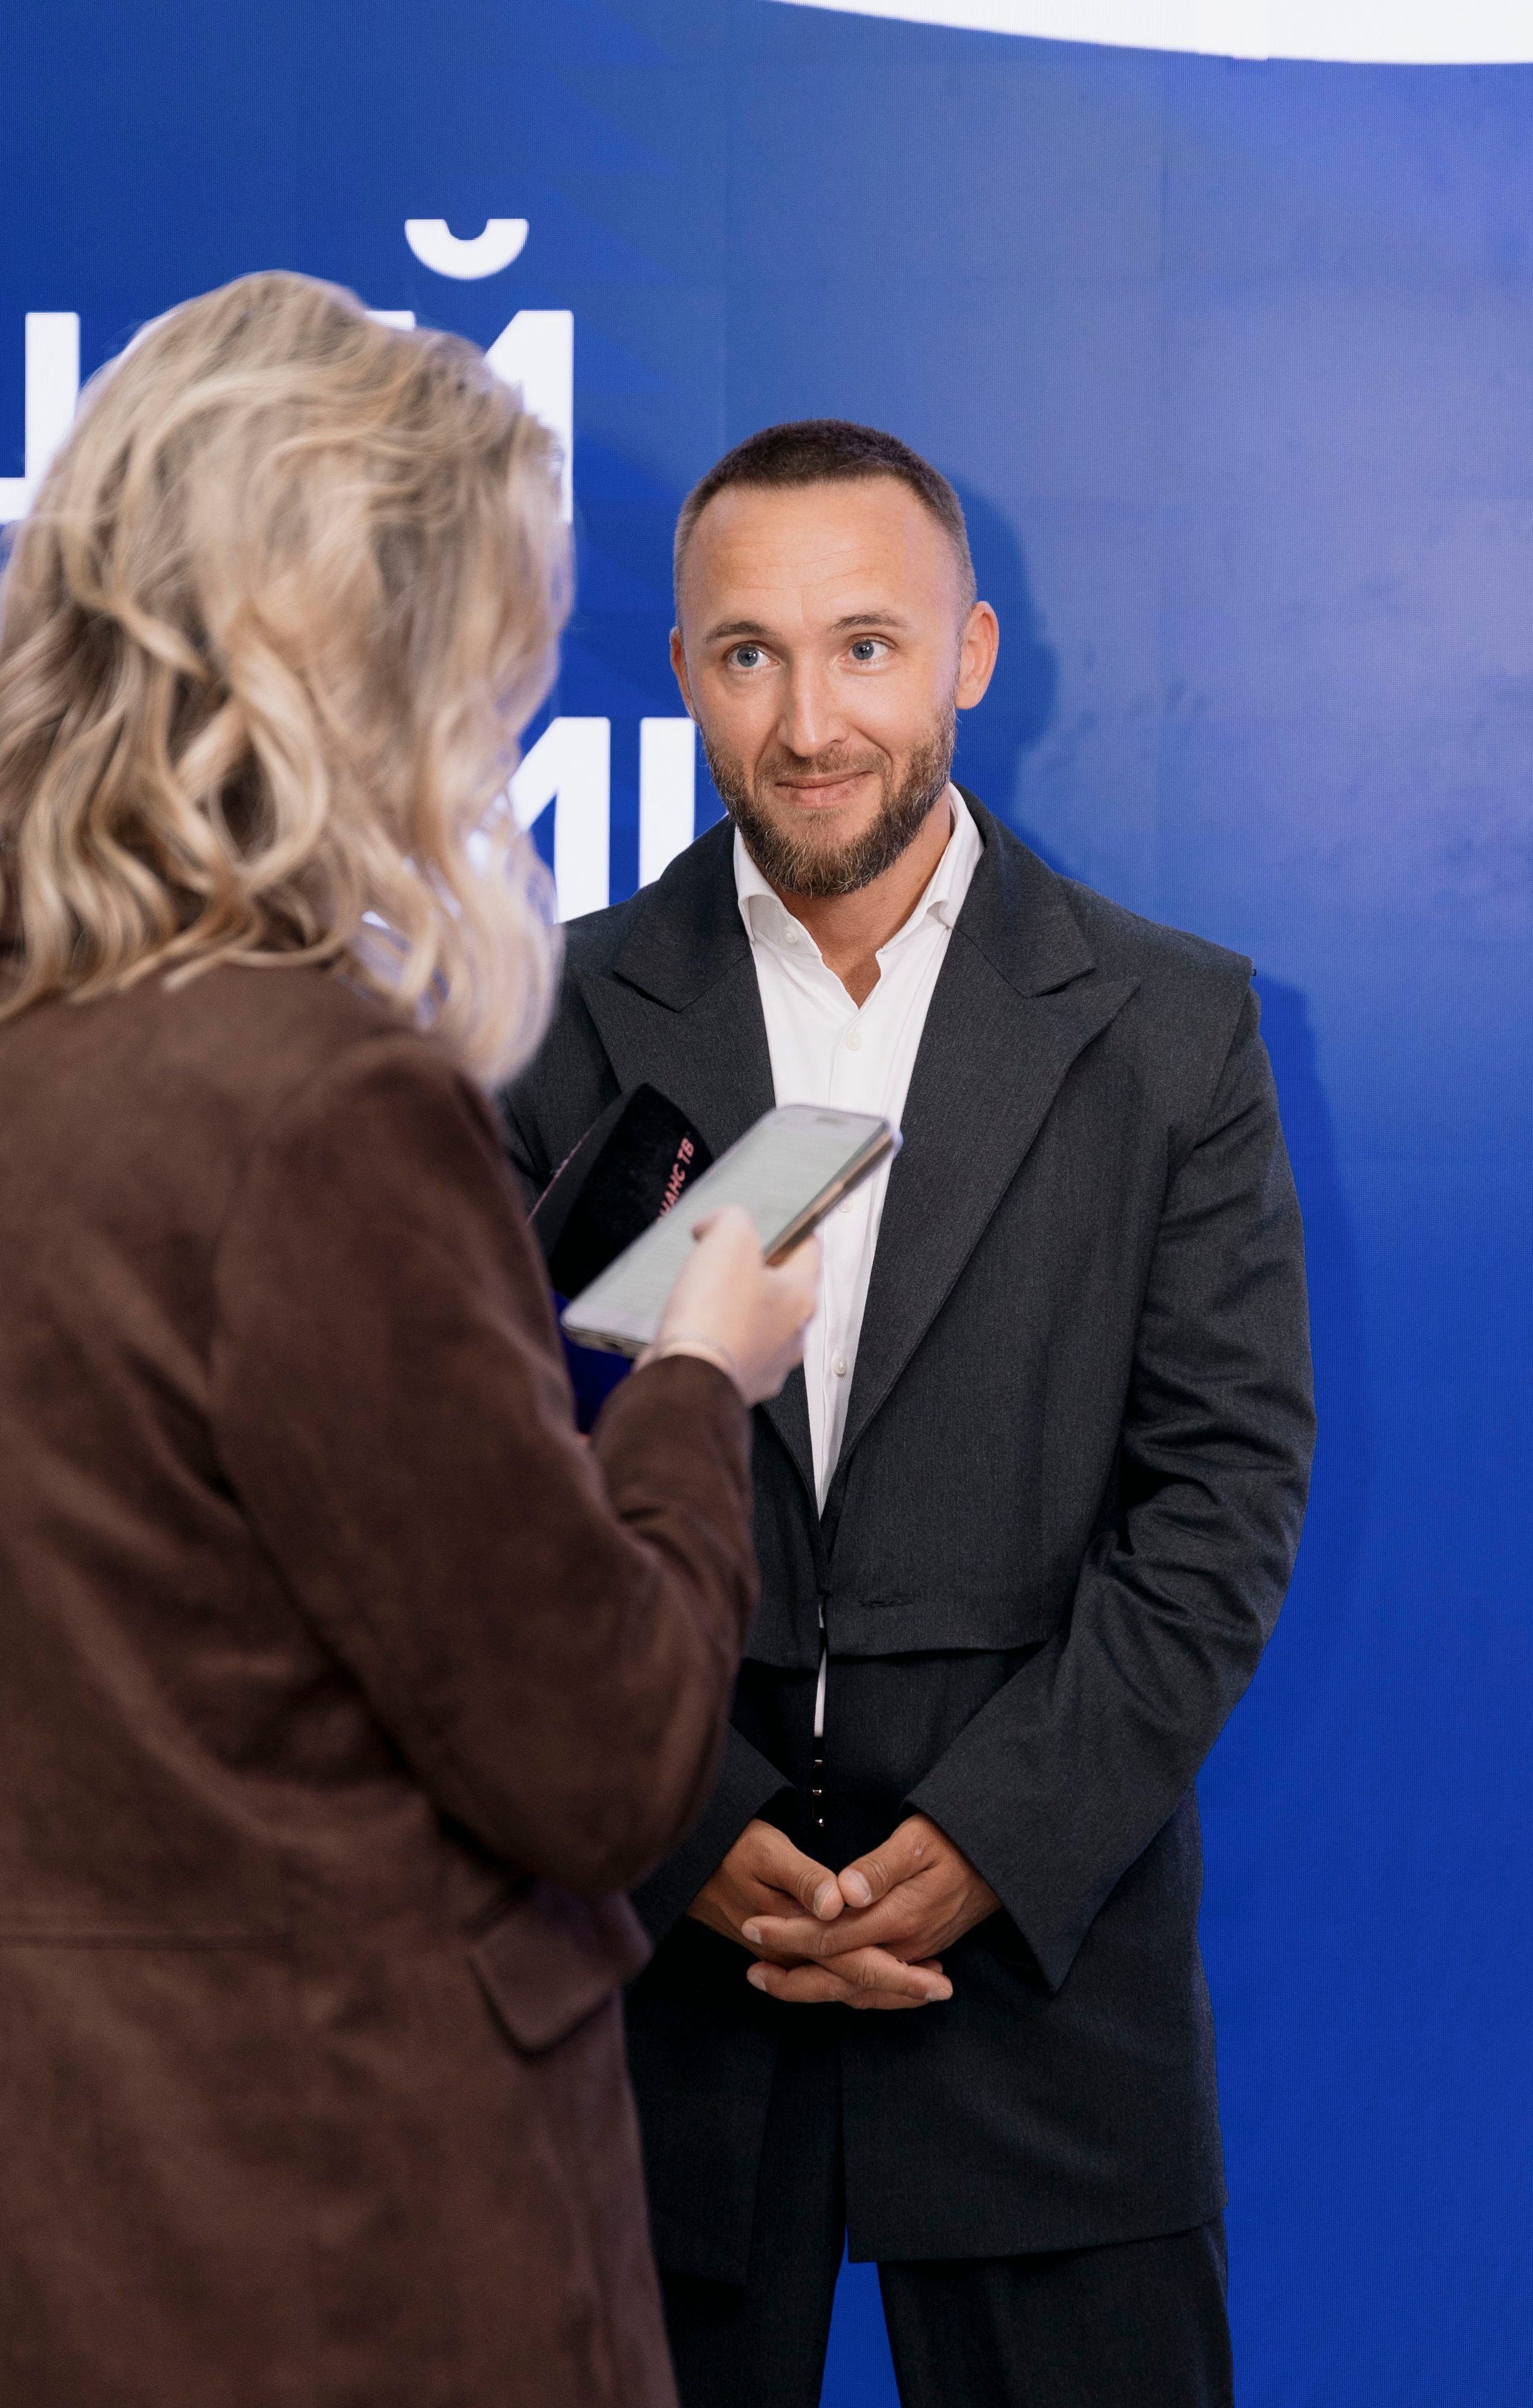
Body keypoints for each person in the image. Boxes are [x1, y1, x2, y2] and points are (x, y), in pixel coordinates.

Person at [0, 274, 817, 2408]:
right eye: (490, 662)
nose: (498, 733)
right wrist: (694, 1378)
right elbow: (601, 1758)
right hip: (336, 2242)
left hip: (15, 2225)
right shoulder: (322, 1107)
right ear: (366, 664)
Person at [501, 419, 1317, 2408]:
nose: (808, 724)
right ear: (683, 672)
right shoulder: (539, 1021)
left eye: (864, 646)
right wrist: (687, 1828)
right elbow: (493, 1510)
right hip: (655, 1996)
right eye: (749, 655)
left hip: (1046, 1979)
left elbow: (1220, 1498)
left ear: (970, 652)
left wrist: (992, 1838)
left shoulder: (1173, 1028)